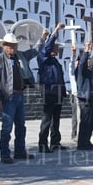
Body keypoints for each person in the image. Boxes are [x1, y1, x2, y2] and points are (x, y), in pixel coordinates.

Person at [0, 33, 40, 163]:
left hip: (20, 95)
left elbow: (35, 51)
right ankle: (5, 154)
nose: (14, 48)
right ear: (5, 46)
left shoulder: (20, 57)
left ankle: (20, 152)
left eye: (15, 45)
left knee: (21, 126)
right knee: (7, 127)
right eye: (12, 45)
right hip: (7, 98)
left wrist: (44, 38)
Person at [37, 23, 68, 153]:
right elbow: (47, 45)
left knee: (56, 120)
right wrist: (56, 30)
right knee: (47, 120)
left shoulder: (55, 62)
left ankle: (55, 142)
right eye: (55, 46)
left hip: (58, 94)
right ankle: (43, 144)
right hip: (49, 94)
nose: (57, 49)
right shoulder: (43, 58)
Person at [76, 42, 93, 150]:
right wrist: (86, 51)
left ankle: (87, 141)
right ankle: (82, 143)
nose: (89, 62)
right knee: (85, 122)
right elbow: (82, 63)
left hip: (90, 98)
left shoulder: (89, 72)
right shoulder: (80, 71)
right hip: (84, 98)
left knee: (90, 121)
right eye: (87, 61)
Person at [69, 45, 79, 141]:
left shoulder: (81, 71)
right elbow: (71, 64)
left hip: (81, 95)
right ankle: (74, 134)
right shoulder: (72, 71)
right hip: (75, 95)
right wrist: (73, 54)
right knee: (75, 116)